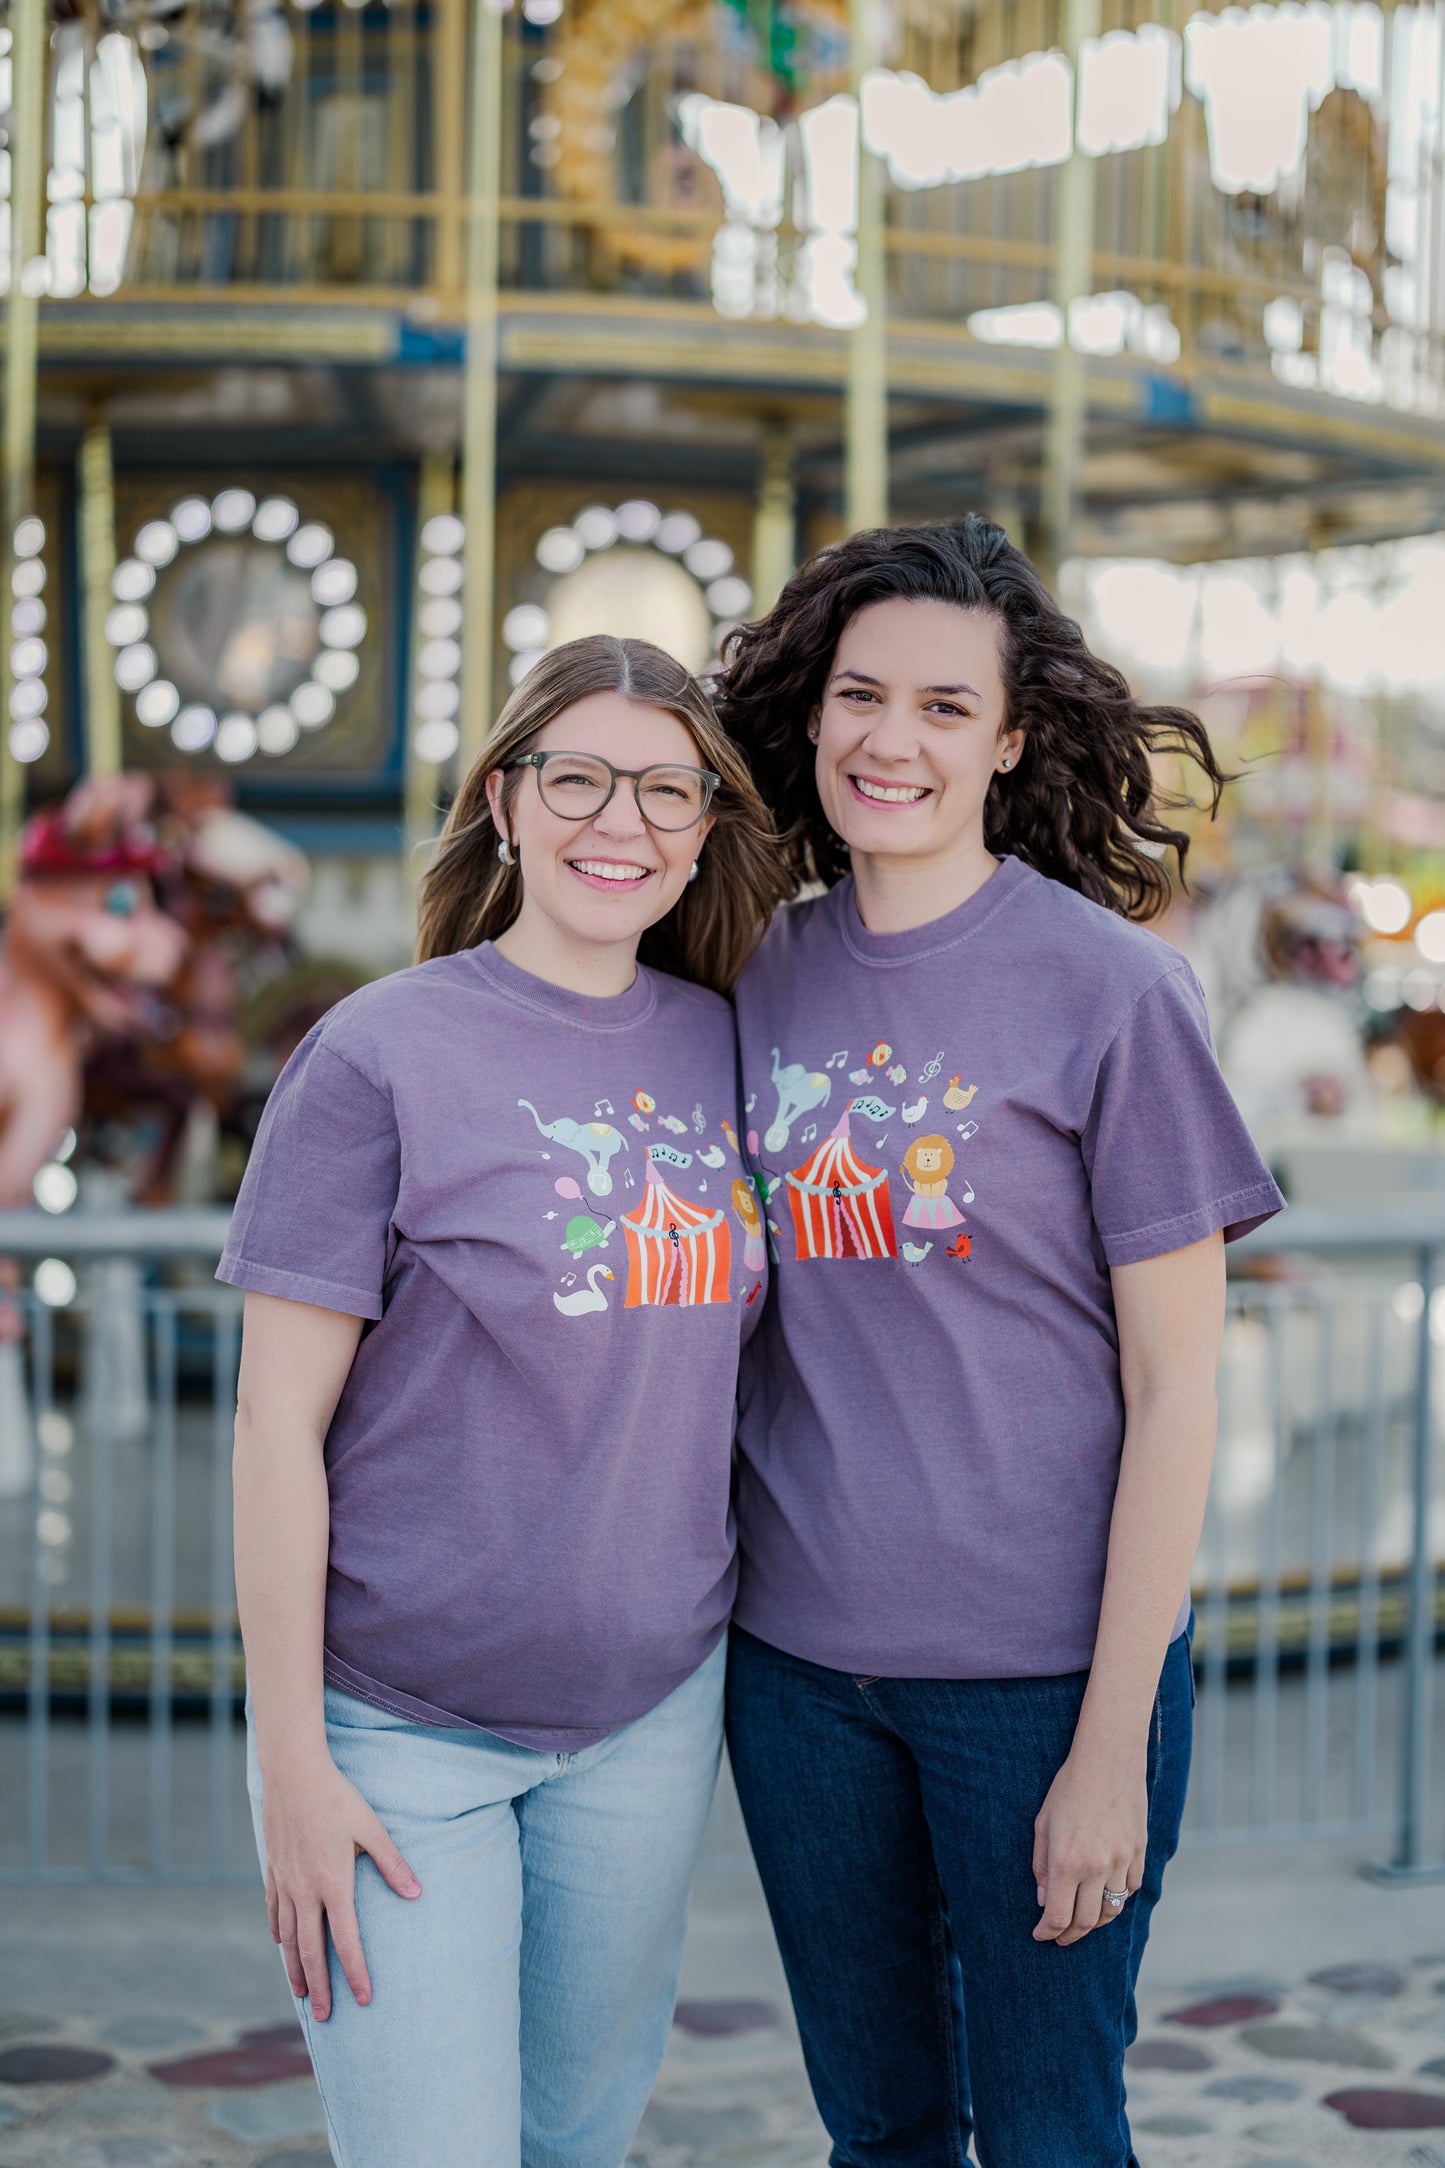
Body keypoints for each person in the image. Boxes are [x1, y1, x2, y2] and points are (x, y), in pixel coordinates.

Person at [713, 517, 1285, 2168]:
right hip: (803, 1676)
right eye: (859, 696)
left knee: (1047, 2133)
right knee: (878, 2128)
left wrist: (1111, 1740)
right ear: (811, 715)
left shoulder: (1111, 992)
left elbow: (1178, 1386)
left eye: (945, 708)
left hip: (1041, 1682)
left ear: (1010, 736)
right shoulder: (749, 972)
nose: (893, 740)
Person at [222, 635, 788, 2168]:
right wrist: (291, 1766)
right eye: (579, 778)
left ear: (707, 827)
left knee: (575, 2146)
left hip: (646, 1717)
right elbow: (275, 1427)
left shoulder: (736, 1045)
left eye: (666, 790)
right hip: (401, 1734)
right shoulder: (377, 1056)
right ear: (505, 800)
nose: (622, 821)